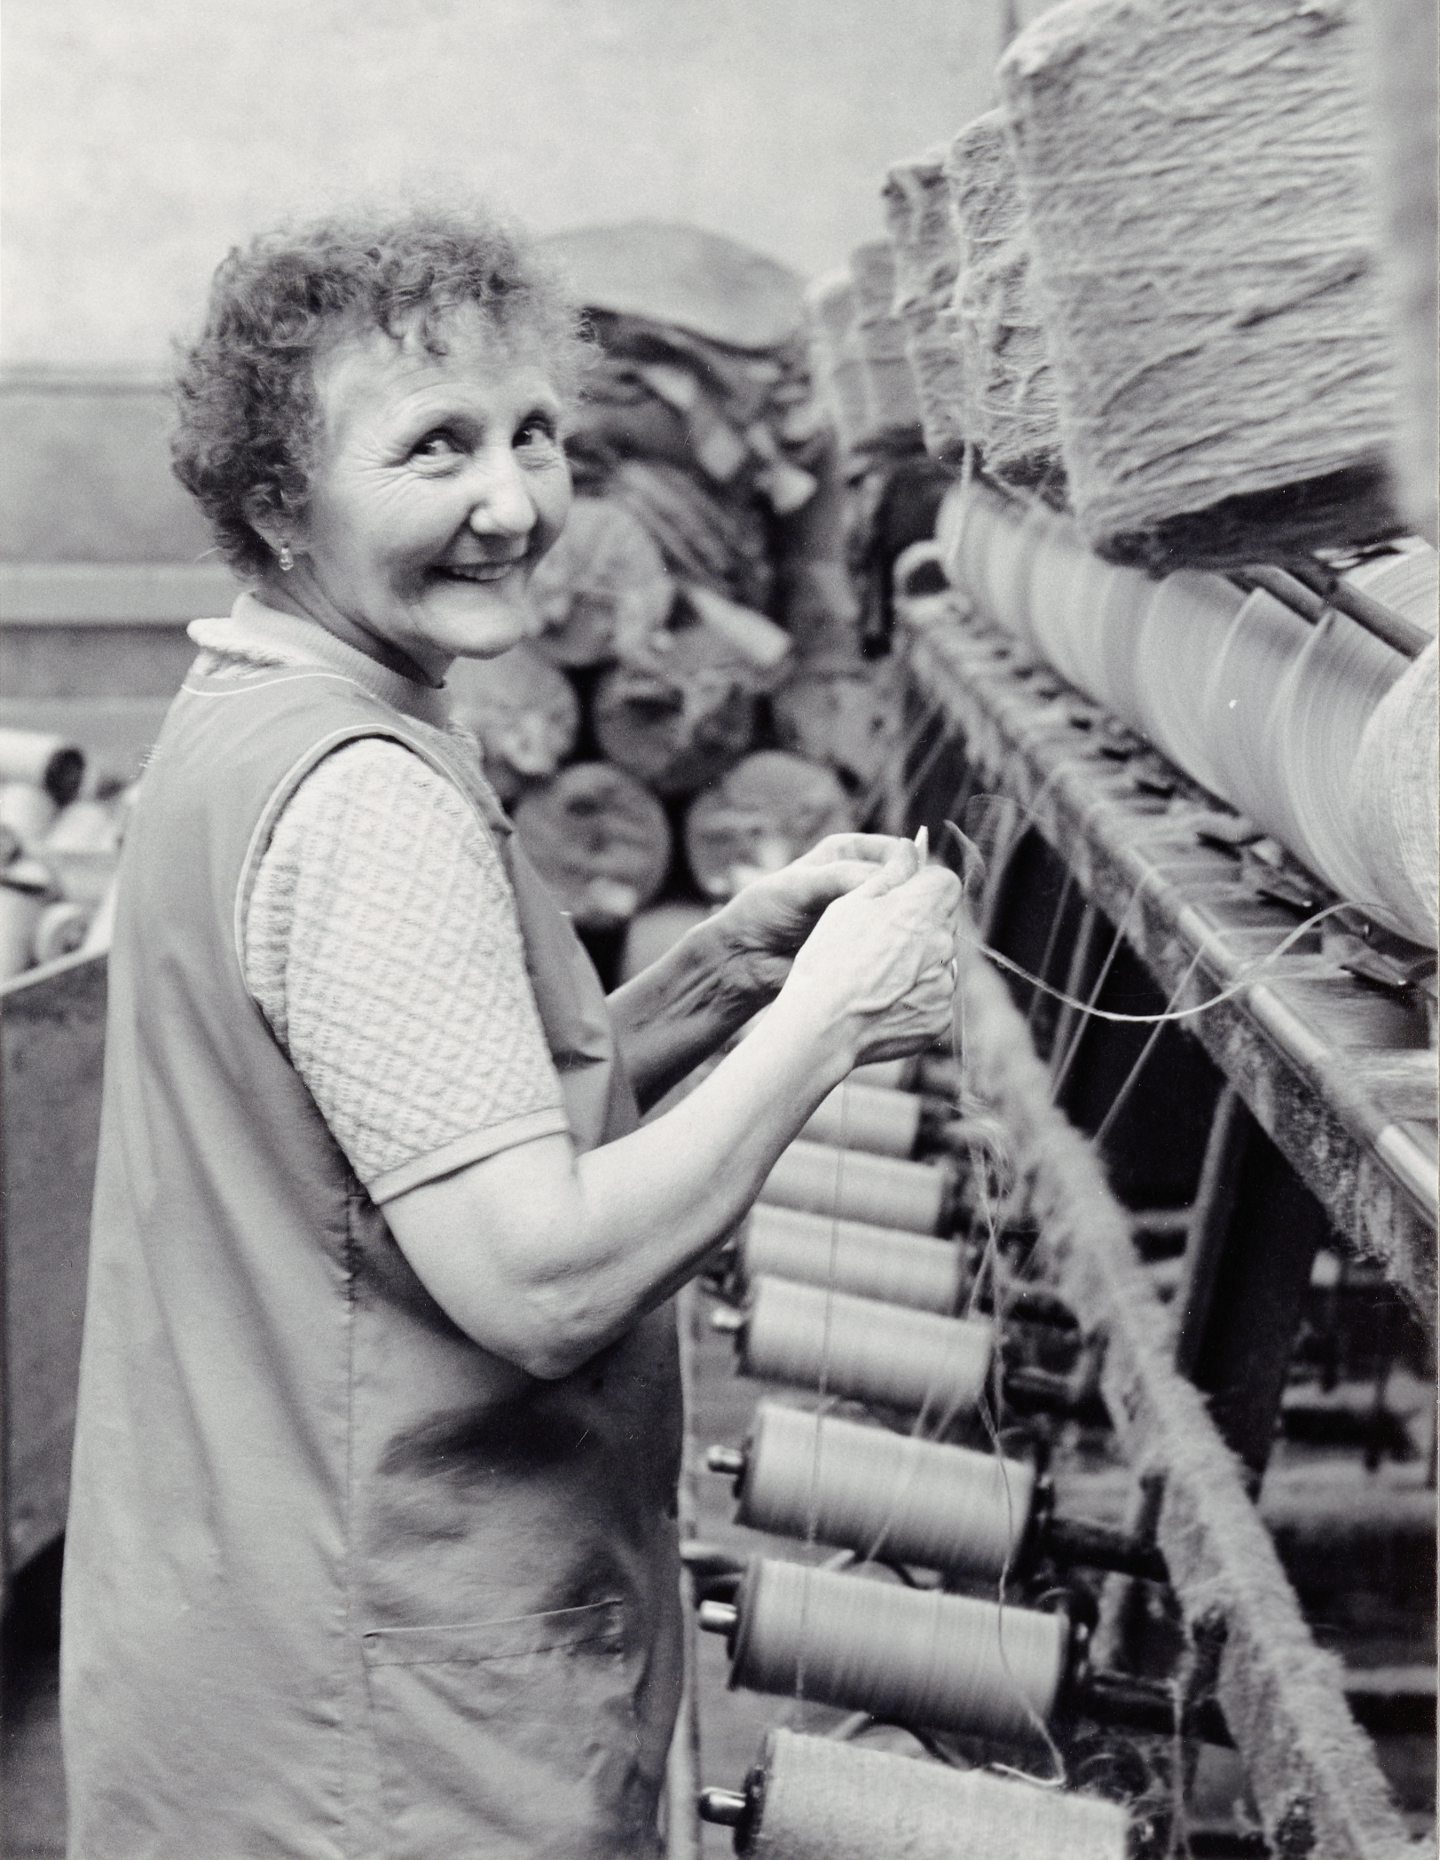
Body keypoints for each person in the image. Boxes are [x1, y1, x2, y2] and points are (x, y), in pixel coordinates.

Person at [60, 203, 961, 1860]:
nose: (512, 501)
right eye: (434, 450)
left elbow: (376, 1128)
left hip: (248, 1639)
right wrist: (828, 1027)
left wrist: (712, 984)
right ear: (278, 497)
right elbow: (535, 1282)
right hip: (389, 1724)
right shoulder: (362, 804)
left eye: (537, 432)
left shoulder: (249, 719)